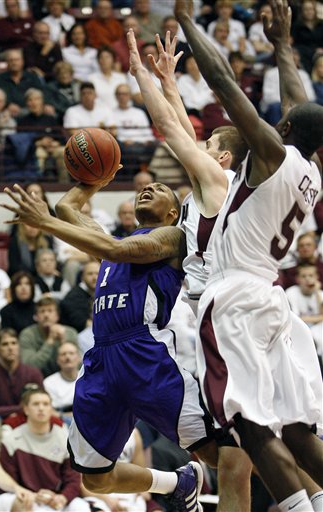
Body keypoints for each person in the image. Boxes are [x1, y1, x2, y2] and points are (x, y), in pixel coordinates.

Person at [175, 1, 323, 510]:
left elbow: (224, 86)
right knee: (300, 432)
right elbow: (301, 103)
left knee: (250, 427)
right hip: (273, 298)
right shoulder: (312, 172)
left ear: (282, 132)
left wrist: (189, 25)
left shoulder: (272, 152)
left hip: (235, 295)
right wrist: (283, 46)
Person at [0, 181, 220, 511]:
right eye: (144, 187)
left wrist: (42, 221)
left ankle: (301, 485)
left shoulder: (170, 238)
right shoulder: (112, 242)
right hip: (101, 361)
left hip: (142, 354)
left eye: (159, 189)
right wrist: (93, 181)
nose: (148, 188)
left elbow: (111, 250)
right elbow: (66, 209)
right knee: (95, 477)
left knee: (218, 453)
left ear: (173, 212)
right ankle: (177, 482)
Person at [127, 28, 252, 512]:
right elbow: (182, 126)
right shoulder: (213, 186)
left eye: (210, 142)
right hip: (214, 318)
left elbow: (173, 129)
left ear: (221, 157)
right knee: (235, 453)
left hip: (225, 319)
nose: (199, 144)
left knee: (244, 453)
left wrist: (142, 74)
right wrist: (170, 80)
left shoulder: (217, 181)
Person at [0, 387, 90, 512]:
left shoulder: (65, 438)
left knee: (81, 508)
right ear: (26, 409)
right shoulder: (11, 441)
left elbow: (73, 479)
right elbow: (9, 483)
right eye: (36, 404)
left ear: (51, 409)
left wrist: (62, 498)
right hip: (29, 498)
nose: (41, 408)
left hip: (60, 498)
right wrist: (34, 496)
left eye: (46, 404)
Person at [0, 328, 44, 420]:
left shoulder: (33, 373)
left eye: (14, 343)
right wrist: (19, 408)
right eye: (5, 344)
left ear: (19, 347)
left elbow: (40, 402)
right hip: (0, 420)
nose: (10, 348)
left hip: (28, 418)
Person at [19, 296, 78, 377]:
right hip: (37, 379)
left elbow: (78, 365)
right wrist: (49, 341)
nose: (46, 315)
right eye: (42, 311)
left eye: (50, 311)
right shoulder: (27, 334)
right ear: (36, 317)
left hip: (67, 379)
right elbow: (29, 366)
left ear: (57, 316)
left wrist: (63, 342)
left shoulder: (70, 333)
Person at [286, 262, 323, 361]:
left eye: (311, 275)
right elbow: (296, 319)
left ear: (317, 278)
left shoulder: (320, 294)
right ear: (297, 279)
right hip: (299, 330)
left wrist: (317, 293)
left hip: (317, 331)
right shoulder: (291, 293)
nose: (307, 279)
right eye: (303, 276)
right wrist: (317, 318)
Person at [43, 341, 81, 424]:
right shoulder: (49, 382)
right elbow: (50, 411)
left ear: (79, 358)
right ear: (57, 360)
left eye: (71, 353)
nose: (67, 357)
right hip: (61, 421)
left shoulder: (88, 378)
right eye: (63, 354)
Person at [60, 260, 100, 332]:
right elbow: (84, 323)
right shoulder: (73, 297)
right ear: (82, 277)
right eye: (90, 274)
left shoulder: (105, 292)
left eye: (98, 274)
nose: (95, 278)